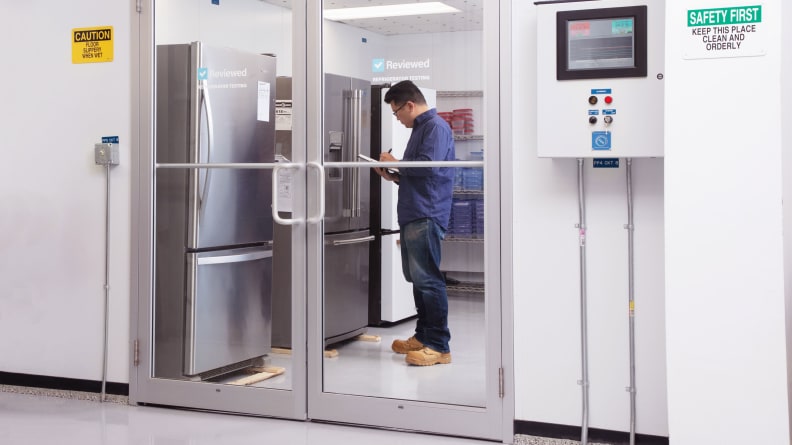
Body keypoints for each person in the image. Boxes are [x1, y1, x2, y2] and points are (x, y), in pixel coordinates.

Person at [374, 80, 455, 366]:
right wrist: (393, 174)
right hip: (413, 211)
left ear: (409, 104)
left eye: (397, 112)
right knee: (417, 280)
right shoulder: (421, 128)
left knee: (429, 281)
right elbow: (418, 175)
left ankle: (438, 346)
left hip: (426, 213)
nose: (397, 117)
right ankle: (423, 337)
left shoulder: (435, 127)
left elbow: (429, 167)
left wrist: (396, 161)